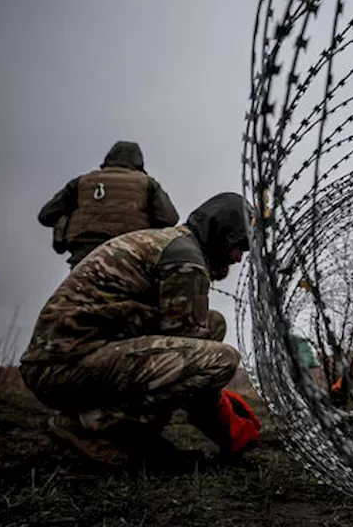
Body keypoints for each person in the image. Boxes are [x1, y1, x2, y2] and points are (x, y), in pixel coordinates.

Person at [19, 192, 258, 467]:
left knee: (213, 324)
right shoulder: (185, 259)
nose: (239, 257)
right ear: (221, 233)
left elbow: (181, 342)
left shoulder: (171, 243)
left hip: (67, 359)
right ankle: (92, 428)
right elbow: (188, 358)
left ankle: (134, 437)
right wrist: (225, 421)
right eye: (238, 245)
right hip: (62, 367)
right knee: (221, 359)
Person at [38, 141, 179, 269]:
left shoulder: (82, 182)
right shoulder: (147, 183)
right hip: (128, 253)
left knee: (81, 294)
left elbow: (46, 215)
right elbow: (169, 219)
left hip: (84, 255)